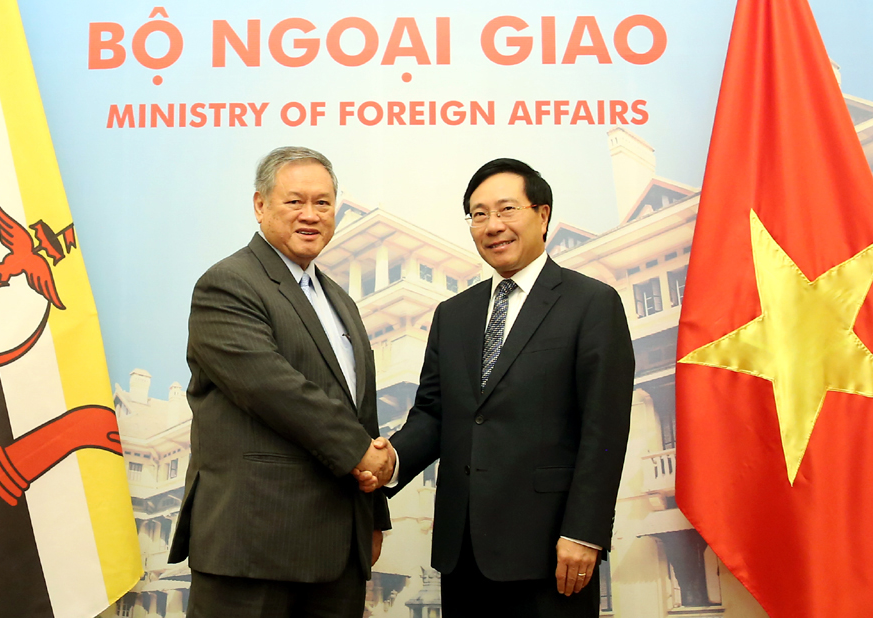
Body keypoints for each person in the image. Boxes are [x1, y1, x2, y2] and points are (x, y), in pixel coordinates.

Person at [361, 158, 634, 616]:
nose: (493, 226)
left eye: (507, 209)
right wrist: (391, 461)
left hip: (551, 551)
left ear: (542, 215)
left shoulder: (592, 304)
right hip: (462, 551)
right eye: (479, 214)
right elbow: (434, 414)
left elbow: (603, 430)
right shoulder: (454, 314)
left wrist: (585, 532)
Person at [169, 146, 395, 618]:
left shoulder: (340, 302)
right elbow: (272, 388)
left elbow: (360, 412)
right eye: (294, 201)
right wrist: (362, 452)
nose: (310, 215)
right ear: (260, 205)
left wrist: (373, 515)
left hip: (337, 556)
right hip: (253, 548)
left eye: (323, 203)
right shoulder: (228, 284)